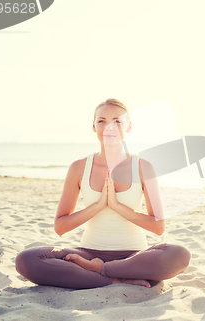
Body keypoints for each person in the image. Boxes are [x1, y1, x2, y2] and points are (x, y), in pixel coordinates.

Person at [15, 98, 191, 289]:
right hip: (88, 253)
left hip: (134, 257)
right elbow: (60, 226)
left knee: (179, 254)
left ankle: (101, 271)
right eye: (102, 121)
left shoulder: (142, 167)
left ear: (128, 127)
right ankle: (113, 277)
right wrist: (98, 206)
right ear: (94, 127)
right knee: (26, 259)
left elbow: (158, 227)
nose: (109, 127)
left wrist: (117, 206)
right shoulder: (79, 167)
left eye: (117, 121)